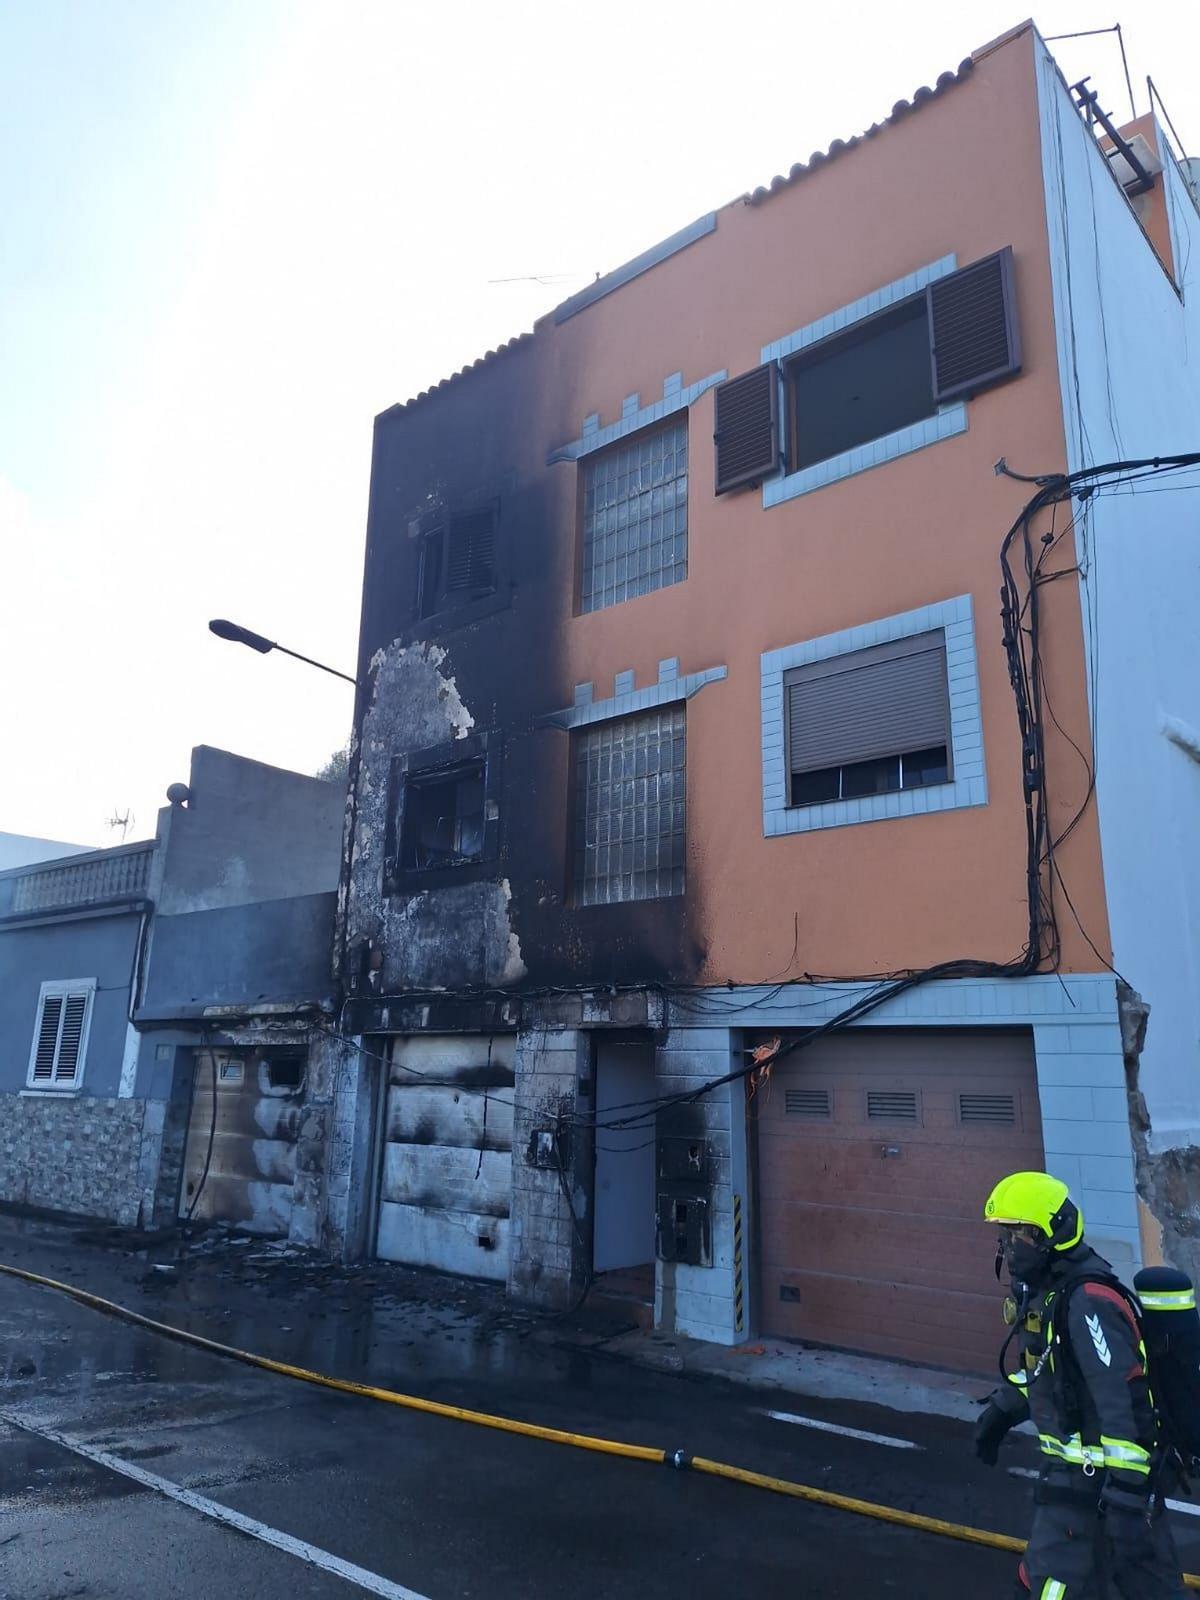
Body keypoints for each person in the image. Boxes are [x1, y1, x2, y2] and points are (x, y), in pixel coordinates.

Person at [975, 1170, 1186, 1598]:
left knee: (1055, 1587)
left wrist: (1127, 1496)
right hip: (1076, 1487)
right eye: (1005, 1236)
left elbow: (1122, 1402)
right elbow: (1049, 1373)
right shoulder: (1048, 1295)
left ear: (1053, 1234)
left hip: (1096, 1489)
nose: (1008, 1247)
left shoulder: (1088, 1302)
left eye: (1018, 1235)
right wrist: (1004, 1408)